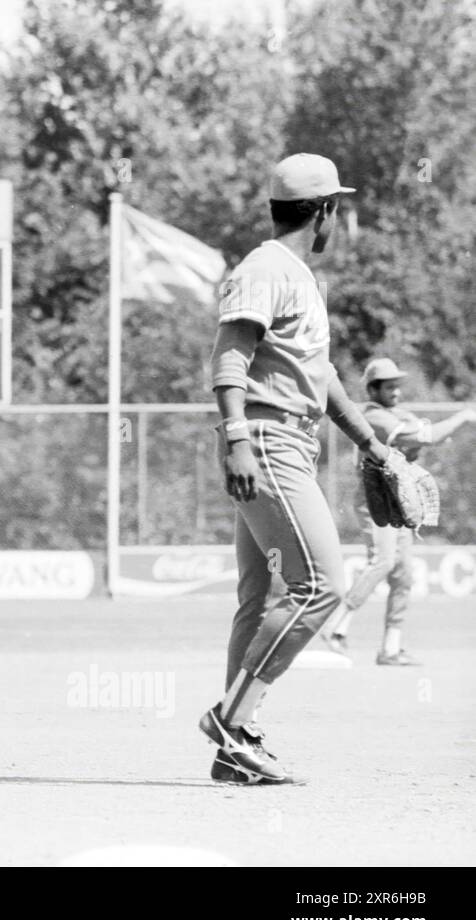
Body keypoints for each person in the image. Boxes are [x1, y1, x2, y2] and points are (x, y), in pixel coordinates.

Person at [203, 153, 393, 785]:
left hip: (282, 440)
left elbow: (322, 375)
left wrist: (370, 442)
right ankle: (232, 719)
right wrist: (237, 440)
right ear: (325, 213)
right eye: (338, 206)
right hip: (265, 441)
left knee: (260, 602)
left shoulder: (299, 277)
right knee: (323, 588)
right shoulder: (265, 268)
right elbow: (231, 355)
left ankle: (238, 746)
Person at [320, 358, 476, 664]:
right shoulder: (371, 415)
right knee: (383, 560)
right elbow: (421, 436)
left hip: (400, 497)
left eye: (397, 386)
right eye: (389, 386)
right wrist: (464, 417)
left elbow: (427, 437)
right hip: (374, 495)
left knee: (403, 574)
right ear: (373, 389)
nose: (396, 392)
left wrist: (436, 433)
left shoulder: (397, 413)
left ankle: (390, 648)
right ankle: (336, 626)